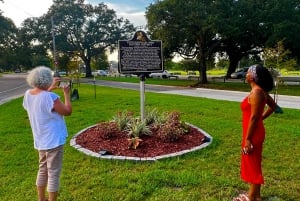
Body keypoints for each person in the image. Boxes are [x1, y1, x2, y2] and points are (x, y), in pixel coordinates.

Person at [23, 66, 72, 201]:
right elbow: (67, 111)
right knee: (53, 173)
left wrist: (49, 88)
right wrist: (67, 94)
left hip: (40, 140)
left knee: (43, 169)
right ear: (48, 80)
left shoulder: (28, 95)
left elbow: (41, 100)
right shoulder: (52, 97)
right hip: (54, 140)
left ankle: (41, 198)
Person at [233, 64, 277, 201]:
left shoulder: (257, 92)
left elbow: (253, 117)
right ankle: (256, 195)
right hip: (252, 131)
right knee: (253, 162)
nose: (246, 74)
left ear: (252, 77)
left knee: (252, 163)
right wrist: (260, 118)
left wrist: (248, 139)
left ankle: (251, 197)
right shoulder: (259, 91)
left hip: (252, 134)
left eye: (247, 72)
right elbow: (272, 106)